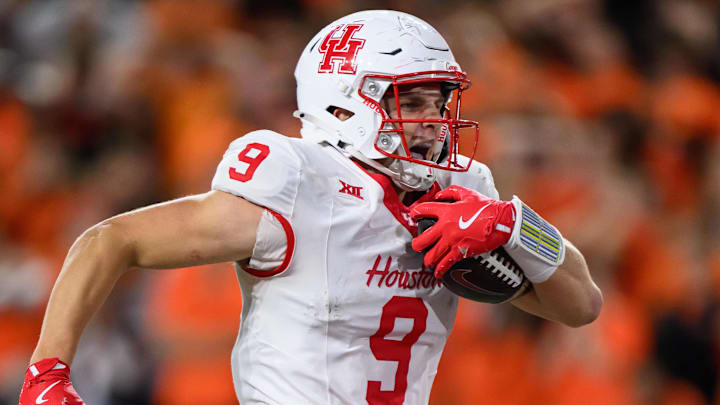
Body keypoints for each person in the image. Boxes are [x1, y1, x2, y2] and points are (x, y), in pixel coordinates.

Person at [18, 10, 602, 405]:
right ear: (346, 104)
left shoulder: (462, 191)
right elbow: (110, 240)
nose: (433, 121)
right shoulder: (298, 182)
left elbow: (580, 306)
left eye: (439, 100)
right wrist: (48, 369)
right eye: (412, 100)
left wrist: (519, 225)